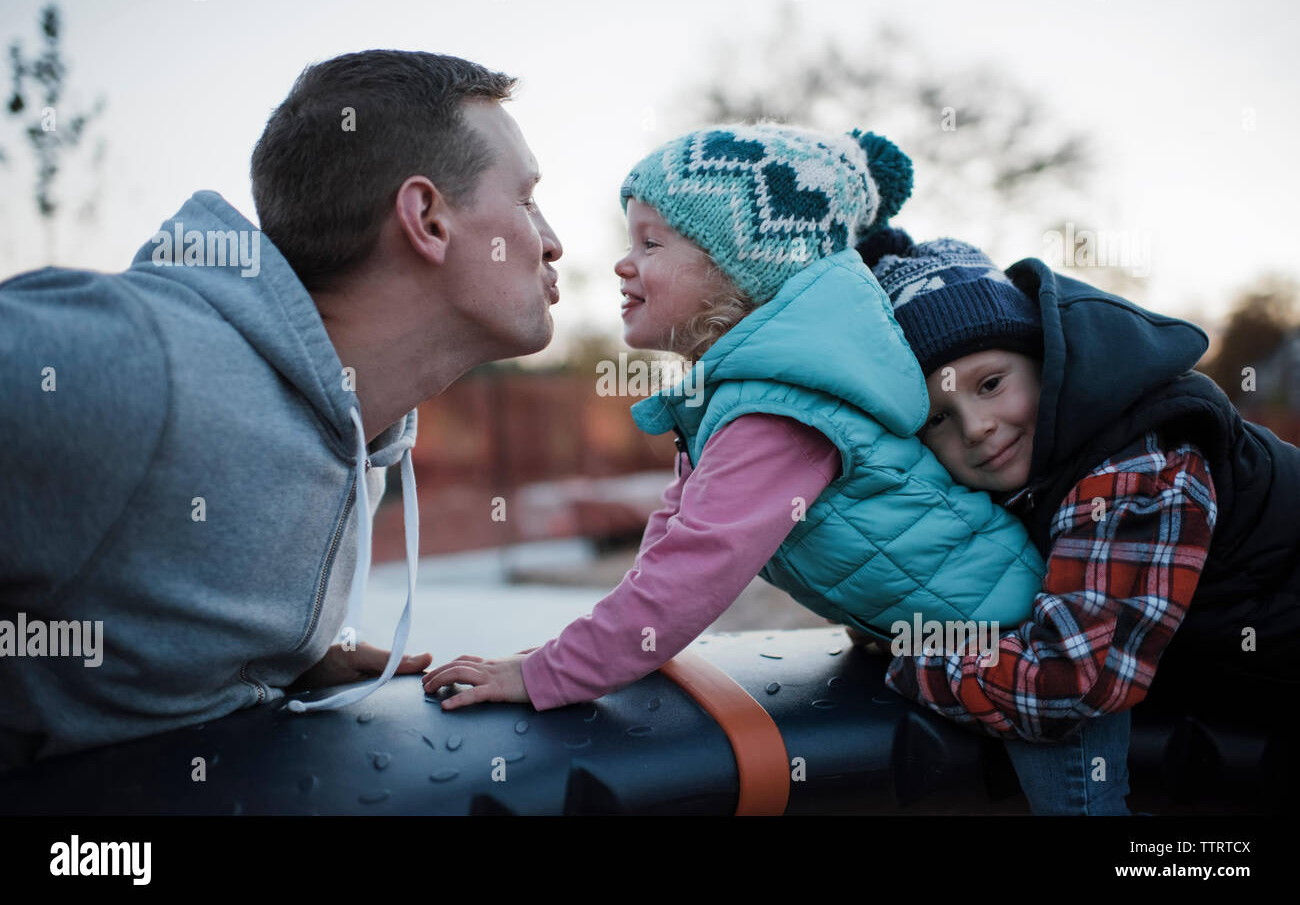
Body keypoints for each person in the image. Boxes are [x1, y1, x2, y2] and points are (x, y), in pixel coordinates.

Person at [0, 50, 563, 769]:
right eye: (526, 198)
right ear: (426, 217)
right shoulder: (139, 363)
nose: (551, 241)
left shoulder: (362, 426)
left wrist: (264, 666)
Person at [423, 122, 1045, 712]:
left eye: (651, 243)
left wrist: (551, 675)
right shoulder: (744, 393)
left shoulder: (783, 405)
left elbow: (698, 568)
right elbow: (671, 537)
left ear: (739, 269)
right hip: (961, 635)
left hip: (1019, 641)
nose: (623, 263)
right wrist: (585, 650)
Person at [858, 226, 1300, 814]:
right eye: (938, 417)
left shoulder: (1137, 473)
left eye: (991, 384)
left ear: (1049, 360)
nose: (975, 426)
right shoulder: (1035, 471)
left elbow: (1065, 685)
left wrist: (909, 658)